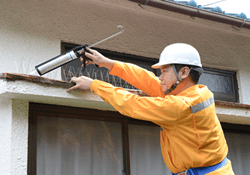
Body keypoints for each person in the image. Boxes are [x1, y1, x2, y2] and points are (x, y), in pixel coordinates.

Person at [67, 43, 235, 175]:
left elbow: (133, 104)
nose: (160, 77)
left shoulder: (180, 106)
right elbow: (146, 79)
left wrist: (94, 85)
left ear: (184, 72)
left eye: (164, 71)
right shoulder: (193, 94)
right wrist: (109, 64)